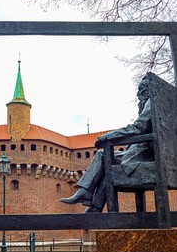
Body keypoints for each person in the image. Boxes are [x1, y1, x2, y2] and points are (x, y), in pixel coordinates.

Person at [60, 73, 155, 212]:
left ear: (147, 90)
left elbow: (138, 127)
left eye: (141, 91)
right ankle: (94, 208)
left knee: (101, 156)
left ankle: (86, 192)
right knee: (107, 166)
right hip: (143, 152)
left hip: (143, 156)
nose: (139, 96)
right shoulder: (159, 104)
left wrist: (108, 136)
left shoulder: (151, 103)